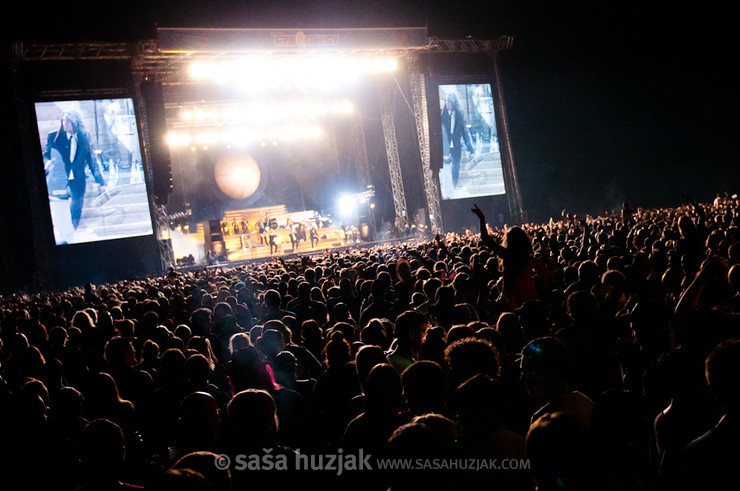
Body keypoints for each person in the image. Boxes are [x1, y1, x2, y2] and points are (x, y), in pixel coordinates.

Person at [44, 111, 106, 230]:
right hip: (59, 180)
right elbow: (46, 154)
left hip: (78, 179)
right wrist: (47, 162)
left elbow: (92, 162)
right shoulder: (54, 137)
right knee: (60, 210)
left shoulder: (84, 138)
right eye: (63, 121)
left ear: (75, 123)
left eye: (67, 121)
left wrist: (101, 183)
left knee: (76, 209)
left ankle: (72, 231)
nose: (64, 124)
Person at [441, 92, 475, 189]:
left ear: (453, 102)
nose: (447, 103)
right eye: (446, 100)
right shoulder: (442, 115)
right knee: (446, 168)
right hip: (445, 147)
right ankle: (447, 187)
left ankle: (454, 186)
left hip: (456, 147)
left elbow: (465, 134)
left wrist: (471, 150)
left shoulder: (459, 115)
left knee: (455, 168)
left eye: (449, 101)